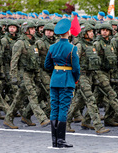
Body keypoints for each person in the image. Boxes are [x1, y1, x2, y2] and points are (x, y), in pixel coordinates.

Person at [44, 18, 80, 148]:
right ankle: (61, 140)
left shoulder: (52, 47)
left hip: (55, 80)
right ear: (68, 32)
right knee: (63, 109)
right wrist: (75, 79)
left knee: (55, 108)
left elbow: (47, 64)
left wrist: (56, 69)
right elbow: (76, 68)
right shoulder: (72, 48)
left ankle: (54, 140)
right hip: (67, 80)